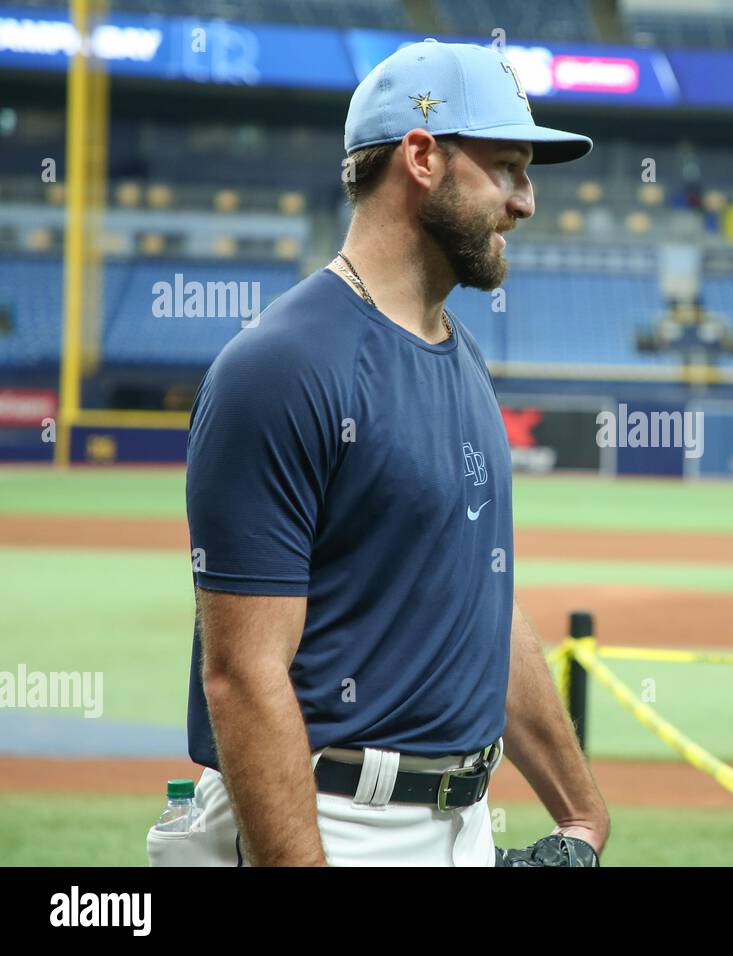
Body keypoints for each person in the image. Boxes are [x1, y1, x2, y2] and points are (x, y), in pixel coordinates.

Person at [159, 39, 608, 867]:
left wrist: (582, 817)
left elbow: (483, 600)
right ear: (424, 157)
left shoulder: (462, 355)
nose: (527, 201)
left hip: (463, 823)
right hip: (329, 823)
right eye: (507, 167)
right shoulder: (281, 366)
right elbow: (244, 674)